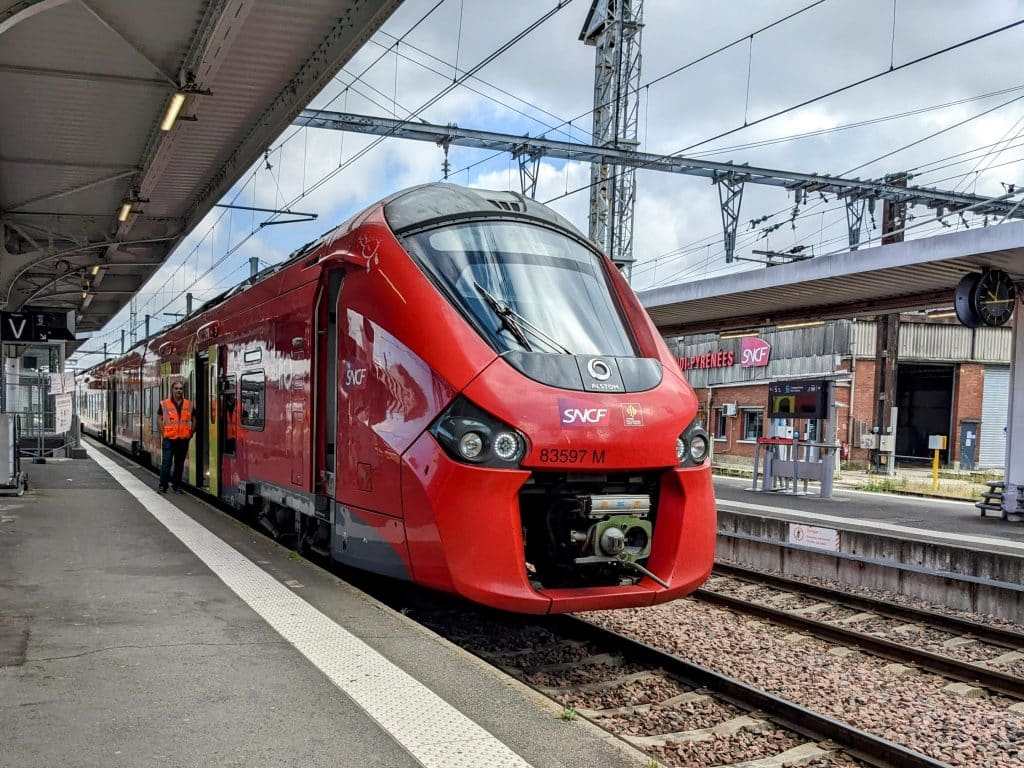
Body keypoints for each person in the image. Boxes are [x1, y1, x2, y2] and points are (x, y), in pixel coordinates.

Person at [157, 379, 195, 494]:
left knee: (179, 464)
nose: (179, 390)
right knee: (166, 463)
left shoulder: (189, 404)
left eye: (181, 389)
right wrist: (163, 433)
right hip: (169, 438)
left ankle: (176, 486)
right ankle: (163, 486)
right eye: (176, 388)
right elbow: (159, 419)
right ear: (172, 390)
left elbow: (195, 419)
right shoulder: (164, 404)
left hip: (183, 439)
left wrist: (190, 433)